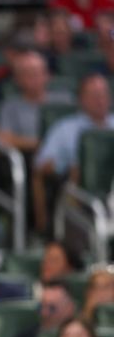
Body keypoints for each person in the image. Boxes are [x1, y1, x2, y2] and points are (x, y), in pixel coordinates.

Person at [33, 74, 114, 234]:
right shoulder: (65, 128)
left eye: (103, 94)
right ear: (81, 99)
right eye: (93, 95)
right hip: (79, 190)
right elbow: (41, 166)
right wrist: (70, 166)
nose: (100, 100)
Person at [0, 51, 73, 154]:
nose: (34, 78)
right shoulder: (9, 106)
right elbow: (5, 138)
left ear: (47, 76)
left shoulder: (65, 101)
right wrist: (41, 144)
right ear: (17, 79)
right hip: (27, 157)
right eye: (27, 74)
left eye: (37, 73)